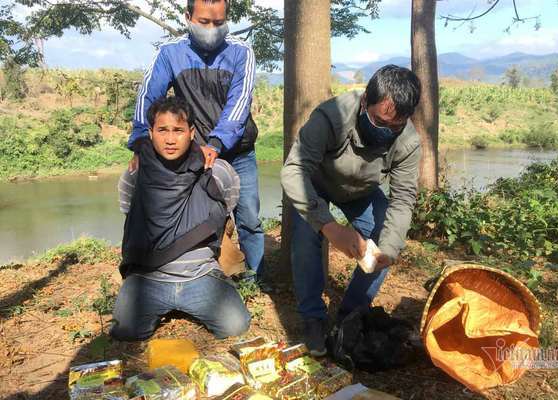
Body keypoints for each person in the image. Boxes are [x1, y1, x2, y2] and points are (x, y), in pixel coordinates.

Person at [280, 65, 422, 356]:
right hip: (317, 185)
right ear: (363, 103)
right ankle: (313, 318)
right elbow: (294, 170)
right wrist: (330, 227)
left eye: (395, 127)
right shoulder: (331, 116)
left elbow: (403, 198)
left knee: (386, 236)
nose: (386, 132)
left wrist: (389, 250)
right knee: (306, 236)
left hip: (362, 193)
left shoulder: (408, 141)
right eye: (380, 121)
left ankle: (350, 315)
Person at [128, 0, 264, 281]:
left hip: (237, 150)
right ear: (188, 17)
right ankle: (205, 275)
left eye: (218, 23)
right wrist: (142, 142)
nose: (211, 30)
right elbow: (148, 96)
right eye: (204, 22)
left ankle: (257, 278)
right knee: (199, 216)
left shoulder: (241, 52)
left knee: (249, 216)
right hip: (195, 155)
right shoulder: (169, 53)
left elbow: (239, 105)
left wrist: (216, 143)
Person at [110, 96, 250, 341]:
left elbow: (226, 208)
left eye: (178, 130)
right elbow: (130, 216)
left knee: (236, 326)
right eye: (162, 130)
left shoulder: (216, 172)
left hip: (201, 275)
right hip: (147, 278)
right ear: (150, 133)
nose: (171, 139)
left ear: (192, 133)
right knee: (126, 331)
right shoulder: (134, 175)